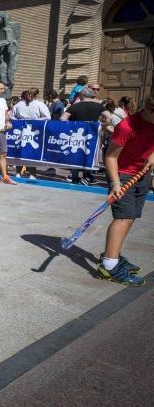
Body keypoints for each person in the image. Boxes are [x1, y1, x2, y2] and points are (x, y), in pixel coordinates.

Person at [97, 96, 154, 286]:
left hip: (142, 174)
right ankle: (109, 267)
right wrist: (115, 183)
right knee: (122, 218)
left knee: (130, 217)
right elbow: (110, 157)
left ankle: (112, 255)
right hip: (121, 175)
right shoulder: (127, 126)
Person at [62, 86, 104, 185]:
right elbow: (109, 117)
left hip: (77, 135)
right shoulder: (98, 106)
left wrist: (71, 125)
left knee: (76, 154)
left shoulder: (75, 106)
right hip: (92, 134)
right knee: (89, 154)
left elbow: (63, 118)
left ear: (81, 95)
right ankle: (87, 177)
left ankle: (75, 177)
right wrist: (102, 124)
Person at [10, 88, 50, 180]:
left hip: (21, 131)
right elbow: (47, 117)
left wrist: (20, 121)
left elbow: (11, 116)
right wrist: (34, 121)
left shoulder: (18, 105)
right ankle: (32, 174)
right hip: (33, 132)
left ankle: (18, 173)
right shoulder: (40, 104)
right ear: (37, 95)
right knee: (32, 152)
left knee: (20, 150)